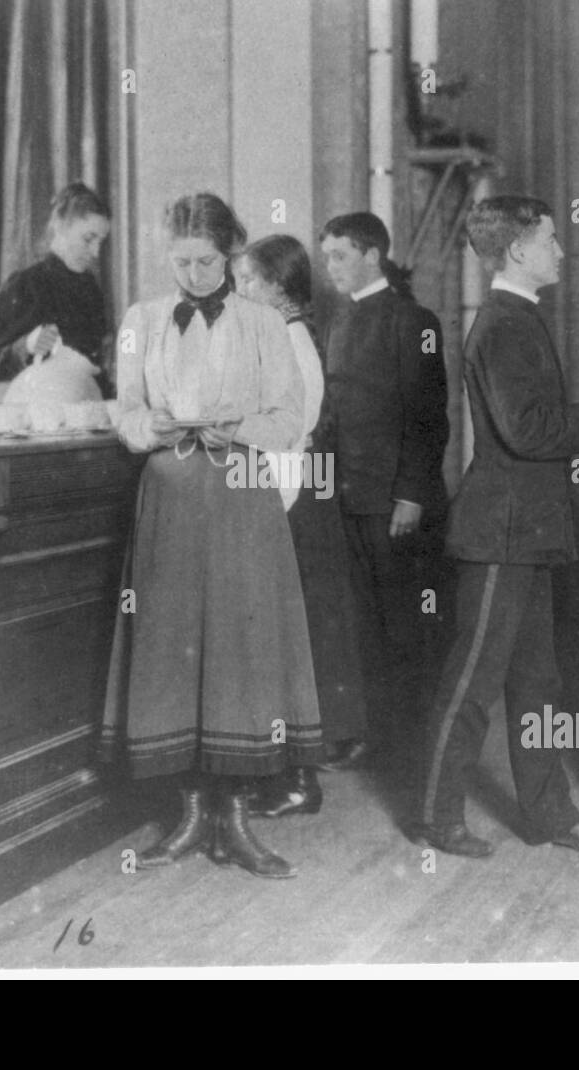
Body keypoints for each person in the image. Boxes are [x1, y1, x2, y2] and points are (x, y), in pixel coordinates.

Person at [98, 193, 322, 879]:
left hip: (241, 494)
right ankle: (191, 811)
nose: (193, 274)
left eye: (207, 260)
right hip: (169, 493)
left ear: (232, 253)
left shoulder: (264, 322)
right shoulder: (142, 320)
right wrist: (153, 429)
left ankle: (237, 818)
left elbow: (289, 417)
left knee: (241, 646)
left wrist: (236, 429)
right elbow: (126, 411)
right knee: (172, 646)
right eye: (181, 261)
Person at [413, 195, 579, 859]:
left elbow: (531, 426)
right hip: (501, 532)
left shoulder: (517, 317)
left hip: (527, 530)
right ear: (517, 251)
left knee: (538, 683)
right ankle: (436, 814)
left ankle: (550, 815)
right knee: (473, 679)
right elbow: (527, 431)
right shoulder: (504, 324)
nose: (560, 250)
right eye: (550, 239)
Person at [233, 234, 369, 818]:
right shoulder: (281, 336)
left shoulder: (289, 340)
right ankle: (285, 769)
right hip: (289, 491)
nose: (238, 290)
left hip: (290, 497)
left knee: (294, 641)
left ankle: (297, 778)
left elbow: (292, 430)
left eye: (246, 281)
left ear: (276, 286)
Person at [318, 212, 449, 769]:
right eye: (326, 258)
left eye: (339, 257)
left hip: (397, 504)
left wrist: (412, 494)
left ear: (372, 255)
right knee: (364, 624)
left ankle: (414, 746)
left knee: (406, 624)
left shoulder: (414, 319)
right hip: (351, 497)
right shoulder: (340, 323)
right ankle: (374, 737)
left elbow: (428, 415)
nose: (330, 269)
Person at [0, 182, 113, 395]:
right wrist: (25, 346)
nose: (96, 252)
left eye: (101, 241)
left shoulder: (91, 288)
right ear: (60, 226)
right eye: (88, 239)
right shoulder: (24, 284)